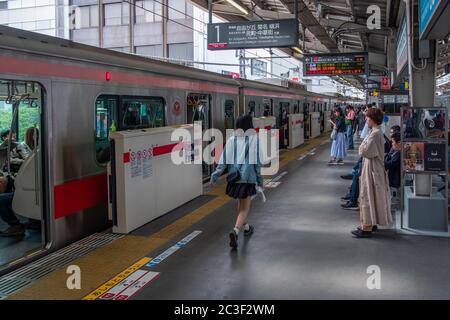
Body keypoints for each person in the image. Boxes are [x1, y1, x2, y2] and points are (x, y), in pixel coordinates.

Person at [210, 114, 263, 249]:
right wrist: (260, 180)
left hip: (234, 178)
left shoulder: (232, 139)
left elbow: (223, 160)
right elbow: (257, 163)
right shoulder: (254, 139)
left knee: (240, 205)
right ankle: (235, 231)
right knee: (245, 208)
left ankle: (245, 227)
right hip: (247, 178)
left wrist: (215, 175)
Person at [352, 108, 392, 238]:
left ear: (373, 120)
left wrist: (361, 147)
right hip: (373, 168)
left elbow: (365, 151)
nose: (366, 120)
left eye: (368, 118)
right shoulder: (376, 132)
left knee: (368, 196)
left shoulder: (375, 134)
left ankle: (367, 228)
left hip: (372, 169)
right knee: (373, 197)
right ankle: (371, 223)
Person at [385, 132, 401, 202]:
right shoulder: (395, 151)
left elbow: (390, 164)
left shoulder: (399, 154)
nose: (392, 144)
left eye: (393, 142)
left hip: (394, 181)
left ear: (399, 143)